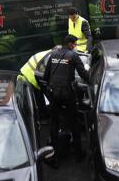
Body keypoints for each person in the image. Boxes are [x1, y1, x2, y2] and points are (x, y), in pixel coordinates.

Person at [44, 35, 90, 165]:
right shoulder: (73, 56)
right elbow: (83, 74)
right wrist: (92, 78)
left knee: (54, 123)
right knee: (74, 122)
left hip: (53, 93)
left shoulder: (53, 55)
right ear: (70, 44)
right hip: (67, 93)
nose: (75, 47)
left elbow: (46, 75)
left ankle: (54, 156)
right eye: (74, 44)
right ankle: (78, 154)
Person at [18, 48, 54, 117]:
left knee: (39, 99)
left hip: (27, 73)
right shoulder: (51, 58)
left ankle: (44, 115)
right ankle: (43, 117)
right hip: (30, 77)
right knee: (37, 100)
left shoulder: (48, 53)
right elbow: (47, 75)